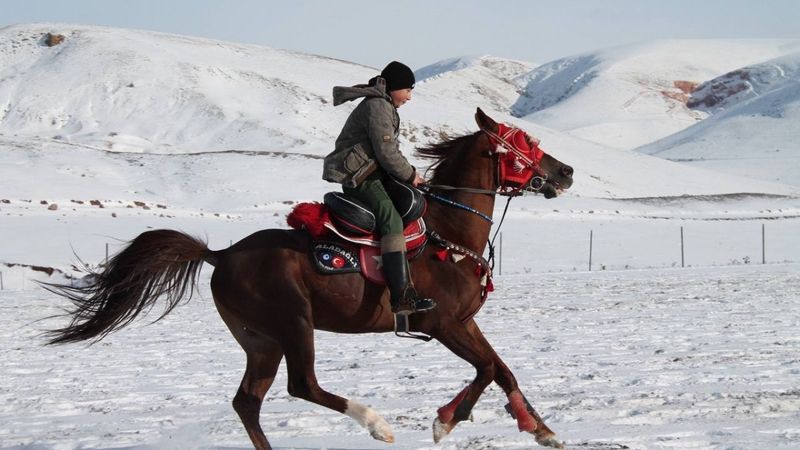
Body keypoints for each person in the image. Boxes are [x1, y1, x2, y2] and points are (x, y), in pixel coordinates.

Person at [323, 61, 436, 315]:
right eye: (407, 90)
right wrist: (410, 175)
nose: (409, 97)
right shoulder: (378, 106)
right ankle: (401, 296)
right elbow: (386, 152)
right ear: (394, 87)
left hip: (373, 175)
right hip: (360, 178)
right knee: (391, 219)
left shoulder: (383, 105)